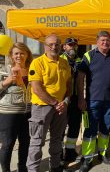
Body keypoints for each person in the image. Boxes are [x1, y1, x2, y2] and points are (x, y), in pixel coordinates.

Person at [78, 31, 110, 172]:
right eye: (102, 40)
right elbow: (80, 78)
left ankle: (103, 153)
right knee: (90, 130)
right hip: (93, 100)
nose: (105, 43)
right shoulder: (89, 55)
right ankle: (88, 158)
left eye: (107, 40)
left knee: (105, 129)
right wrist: (81, 97)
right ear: (97, 41)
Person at [27, 34, 71, 172]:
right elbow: (37, 88)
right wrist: (55, 103)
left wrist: (65, 101)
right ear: (45, 46)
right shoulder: (37, 62)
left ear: (61, 46)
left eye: (57, 44)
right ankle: (33, 169)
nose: (54, 47)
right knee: (37, 142)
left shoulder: (64, 63)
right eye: (51, 44)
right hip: (42, 107)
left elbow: (69, 85)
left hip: (60, 107)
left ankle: (55, 166)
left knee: (57, 139)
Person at [0, 43, 33, 172]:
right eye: (16, 53)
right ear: (11, 56)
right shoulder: (4, 70)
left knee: (25, 143)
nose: (19, 56)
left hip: (28, 112)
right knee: (8, 144)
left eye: (22, 53)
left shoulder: (32, 69)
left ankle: (22, 168)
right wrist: (6, 81)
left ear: (27, 54)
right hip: (9, 114)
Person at [60, 37, 82, 162]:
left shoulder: (81, 61)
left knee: (74, 127)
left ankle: (70, 152)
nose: (72, 47)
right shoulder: (59, 60)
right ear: (64, 47)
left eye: (74, 45)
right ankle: (59, 154)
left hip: (76, 98)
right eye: (69, 45)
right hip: (62, 99)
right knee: (60, 128)